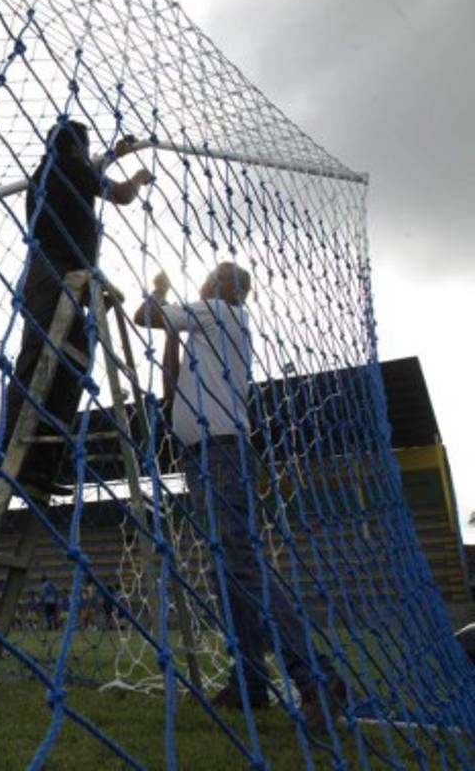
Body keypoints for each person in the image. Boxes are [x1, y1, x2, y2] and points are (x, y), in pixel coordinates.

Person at [133, 263, 345, 730]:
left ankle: (317, 677)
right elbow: (169, 393)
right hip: (206, 454)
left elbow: (142, 316)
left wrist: (158, 292)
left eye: (212, 281)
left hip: (222, 452)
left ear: (224, 288)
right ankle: (249, 682)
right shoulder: (207, 333)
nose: (207, 285)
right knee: (227, 571)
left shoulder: (216, 312)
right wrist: (173, 331)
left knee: (241, 562)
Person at [2, 121, 154, 494]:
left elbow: (89, 173)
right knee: (44, 359)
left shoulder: (56, 170)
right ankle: (17, 458)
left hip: (63, 276)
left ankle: (40, 465)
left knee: (69, 362)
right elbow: (120, 195)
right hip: (54, 275)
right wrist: (136, 177)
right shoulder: (66, 168)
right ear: (76, 147)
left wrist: (114, 155)